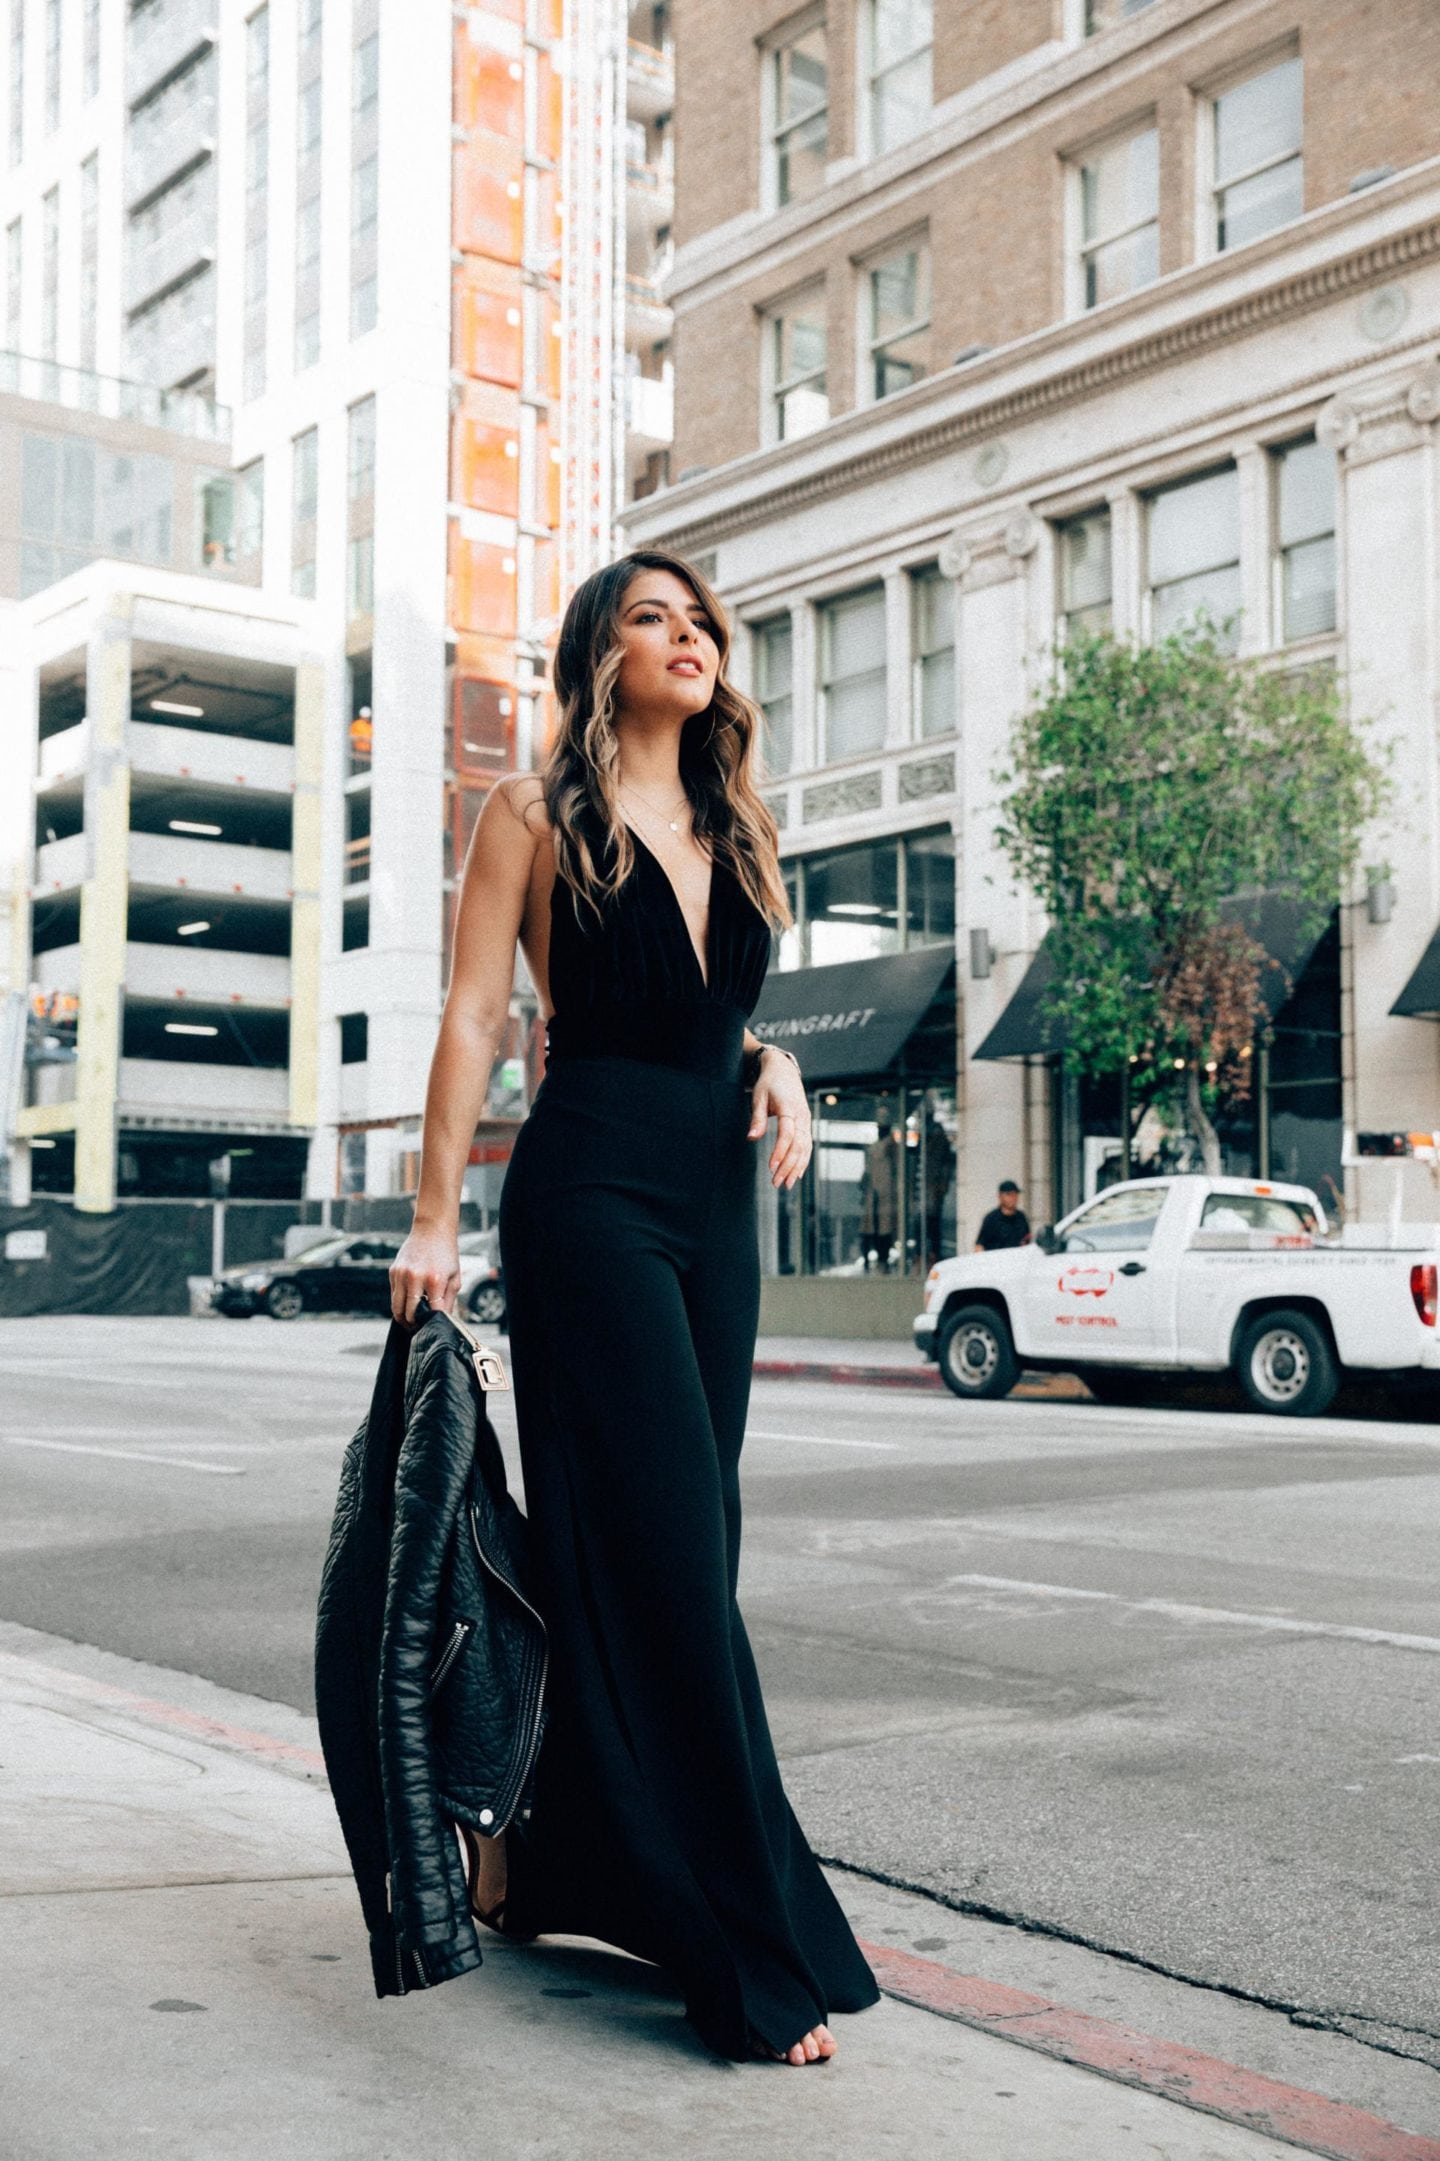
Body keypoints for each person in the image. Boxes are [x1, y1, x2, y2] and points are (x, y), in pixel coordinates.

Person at [389, 549, 880, 2068]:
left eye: (702, 623)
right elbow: (480, 1010)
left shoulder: (741, 820)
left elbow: (710, 1017)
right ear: (600, 654)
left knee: (677, 1549)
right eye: (653, 619)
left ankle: (547, 1860)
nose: (689, 639)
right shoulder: (532, 815)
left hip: (711, 1212)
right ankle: (740, 1942)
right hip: (588, 1191)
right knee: (663, 1556)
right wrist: (429, 1217)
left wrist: (769, 1058)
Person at [858, 1102, 900, 1270]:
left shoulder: (892, 1146)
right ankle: (869, 1261)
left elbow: (898, 1171)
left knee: (885, 1229)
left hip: (886, 1194)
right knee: (869, 1229)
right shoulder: (874, 1147)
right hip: (872, 1194)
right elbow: (867, 1171)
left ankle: (883, 1259)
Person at [974, 1178, 1031, 1251]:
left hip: (1017, 1260)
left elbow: (1026, 1241)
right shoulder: (991, 1219)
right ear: (1000, 1196)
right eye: (1008, 1194)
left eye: (1015, 1194)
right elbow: (979, 1245)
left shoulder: (1021, 1217)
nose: (1012, 1198)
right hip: (996, 1260)